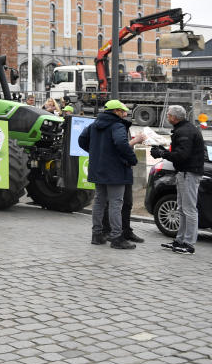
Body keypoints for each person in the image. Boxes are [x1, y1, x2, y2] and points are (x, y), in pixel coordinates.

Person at [78, 99, 140, 249]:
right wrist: (132, 159)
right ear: (116, 111)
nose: (125, 114)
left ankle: (97, 235)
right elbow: (121, 143)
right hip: (115, 170)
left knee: (99, 201)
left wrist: (95, 153)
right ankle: (116, 237)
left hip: (98, 168)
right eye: (123, 111)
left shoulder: (94, 125)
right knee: (115, 203)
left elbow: (81, 140)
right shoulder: (117, 125)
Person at [151, 105, 206, 254]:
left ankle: (189, 244)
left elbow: (182, 154)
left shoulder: (185, 131)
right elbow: (180, 152)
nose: (167, 117)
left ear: (174, 118)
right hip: (184, 172)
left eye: (168, 115)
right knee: (181, 208)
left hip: (189, 173)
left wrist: (162, 153)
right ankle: (180, 240)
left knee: (189, 209)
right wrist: (163, 151)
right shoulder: (184, 129)